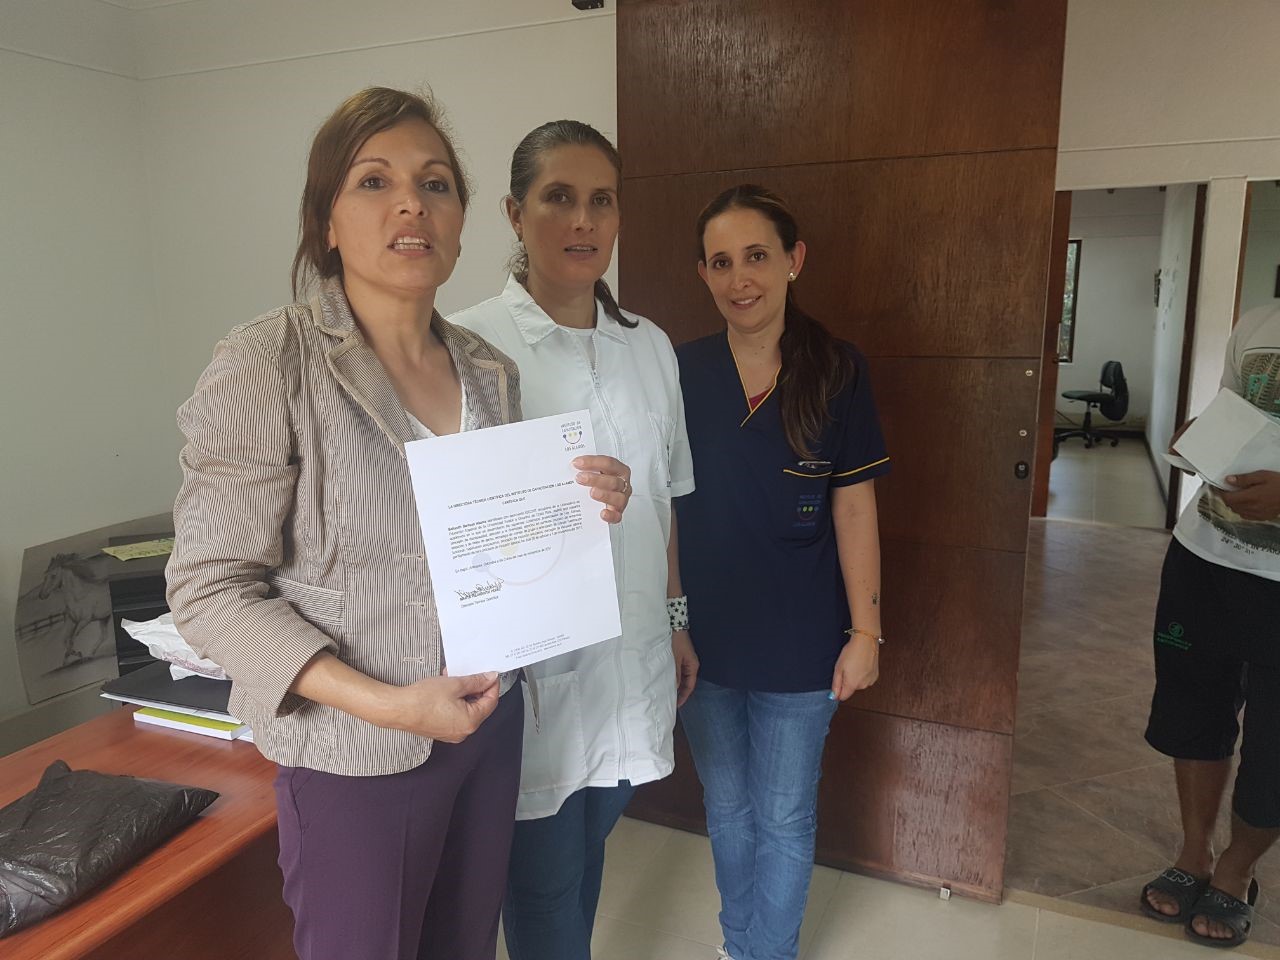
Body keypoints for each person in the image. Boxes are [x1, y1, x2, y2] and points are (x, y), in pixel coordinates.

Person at [165, 88, 633, 960]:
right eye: (375, 182)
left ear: (460, 223)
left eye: (436, 184)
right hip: (356, 751)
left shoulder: (488, 370)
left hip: (489, 727)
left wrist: (578, 506)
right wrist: (388, 704)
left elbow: (491, 541)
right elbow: (208, 590)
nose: (412, 204)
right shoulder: (270, 361)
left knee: (463, 946)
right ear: (327, 221)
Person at [449, 119, 696, 960]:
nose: (583, 221)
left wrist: (676, 619)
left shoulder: (649, 347)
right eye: (559, 198)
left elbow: (665, 501)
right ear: (515, 214)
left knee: (589, 854)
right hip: (537, 679)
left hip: (636, 656)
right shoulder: (467, 343)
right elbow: (455, 526)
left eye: (602, 201)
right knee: (546, 886)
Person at [674, 184, 889, 960]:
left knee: (784, 815)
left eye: (757, 256)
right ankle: (740, 946)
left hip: (803, 642)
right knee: (727, 809)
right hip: (705, 640)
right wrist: (673, 624)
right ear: (703, 273)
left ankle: (769, 954)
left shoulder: (837, 369)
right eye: (721, 262)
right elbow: (663, 511)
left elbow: (854, 507)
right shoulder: (680, 371)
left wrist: (866, 632)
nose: (741, 279)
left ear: (793, 260)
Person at [1139, 302, 1280, 949]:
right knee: (1192, 707)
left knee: (1275, 747)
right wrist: (1200, 440)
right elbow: (1234, 417)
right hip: (1206, 557)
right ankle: (1194, 851)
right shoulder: (1261, 322)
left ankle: (1236, 869)